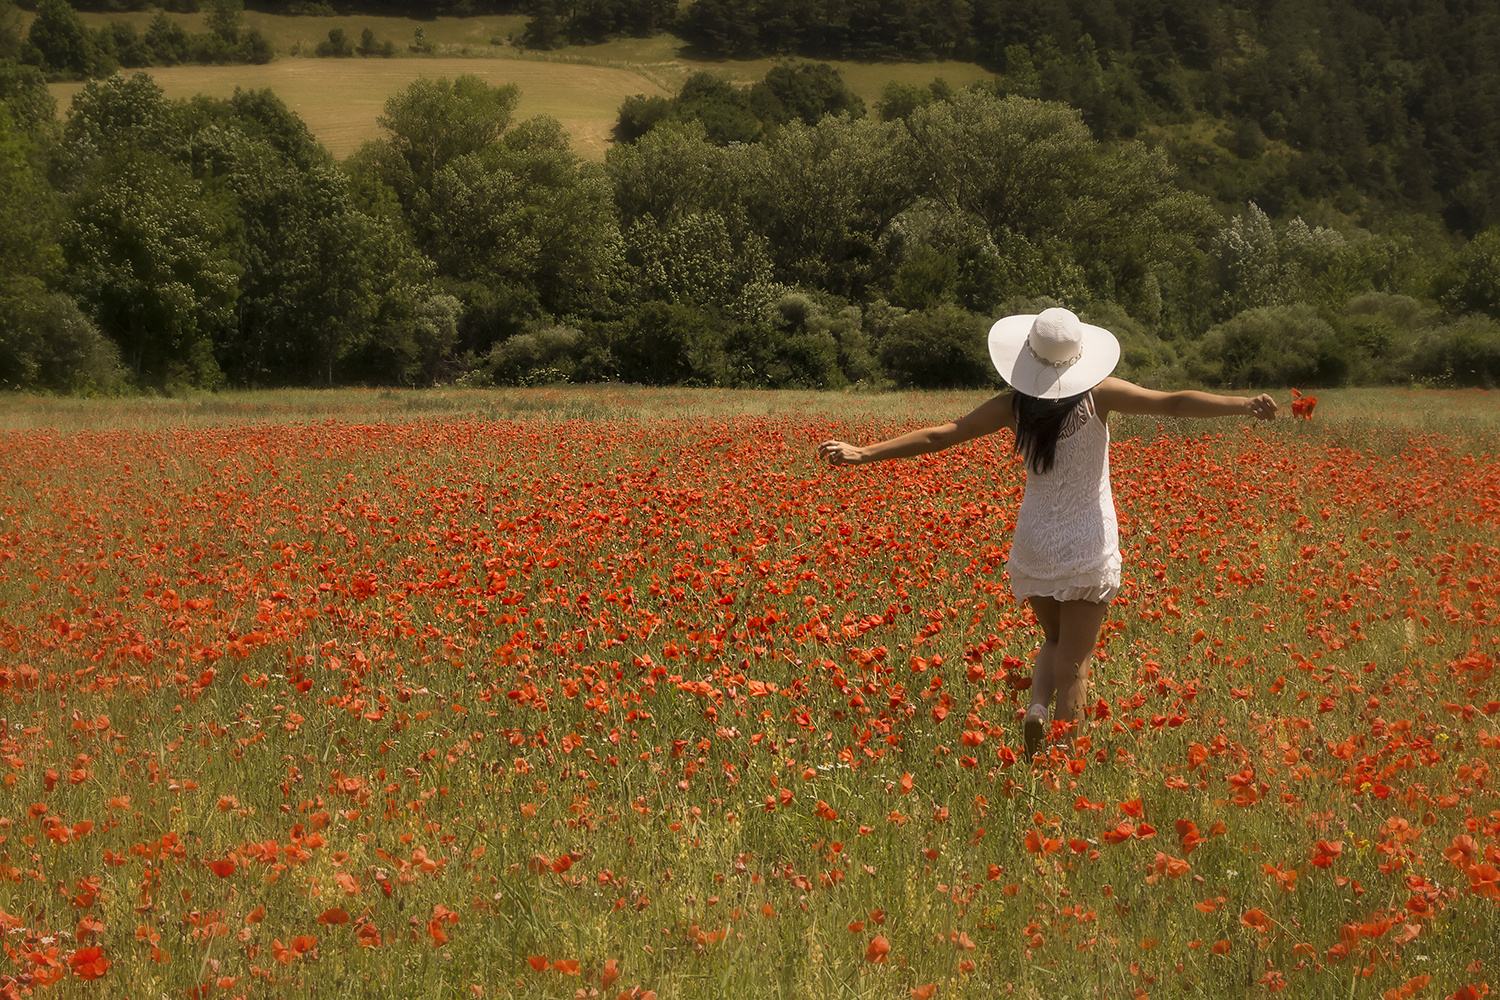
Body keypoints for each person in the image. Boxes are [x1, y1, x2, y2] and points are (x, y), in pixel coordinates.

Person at [816, 307, 1277, 757]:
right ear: (1079, 357)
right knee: (1075, 663)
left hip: (1035, 542)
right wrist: (1242, 403)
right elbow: (1173, 402)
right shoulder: (1101, 395)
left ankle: (1037, 707)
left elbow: (943, 434)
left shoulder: (1012, 406)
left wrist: (864, 452)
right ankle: (1063, 758)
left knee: (1055, 641)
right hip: (1086, 542)